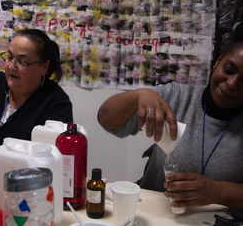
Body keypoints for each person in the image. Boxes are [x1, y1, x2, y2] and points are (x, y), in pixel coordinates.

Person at [98, 29, 243, 210]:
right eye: (228, 70)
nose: (232, 84)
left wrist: (218, 192)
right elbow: (106, 120)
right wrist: (138, 96)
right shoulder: (175, 96)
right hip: (154, 214)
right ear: (218, 62)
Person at [0, 29, 73, 166]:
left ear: (44, 66)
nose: (11, 66)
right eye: (9, 57)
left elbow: (46, 162)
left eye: (22, 62)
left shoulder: (56, 104)